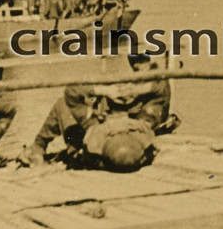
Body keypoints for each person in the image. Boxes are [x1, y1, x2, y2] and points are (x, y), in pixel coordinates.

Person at [18, 55, 176, 172]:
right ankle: (38, 147)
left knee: (63, 104)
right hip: (121, 134)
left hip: (83, 147)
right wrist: (137, 90)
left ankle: (38, 147)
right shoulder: (142, 128)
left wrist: (105, 91)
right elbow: (162, 89)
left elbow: (72, 91)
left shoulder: (95, 130)